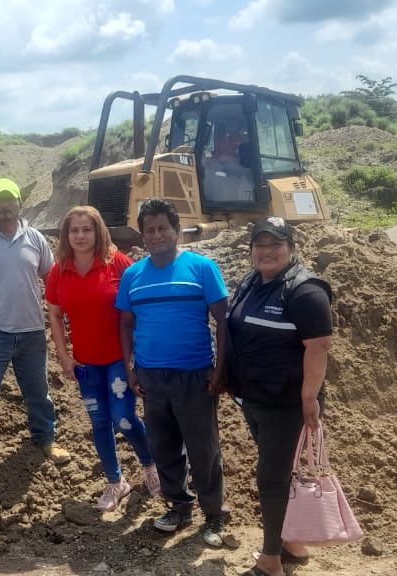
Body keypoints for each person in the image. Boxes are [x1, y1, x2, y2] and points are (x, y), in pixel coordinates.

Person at [115, 198, 231, 546]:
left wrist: (221, 369)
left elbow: (223, 321)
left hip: (195, 375)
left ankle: (214, 514)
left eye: (163, 228)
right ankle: (179, 507)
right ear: (142, 236)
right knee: (163, 447)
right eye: (149, 230)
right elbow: (125, 324)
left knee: (203, 448)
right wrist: (130, 368)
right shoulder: (133, 275)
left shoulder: (202, 268)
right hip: (151, 376)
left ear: (177, 231)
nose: (156, 235)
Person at [224, 216, 333, 576]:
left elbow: (318, 347)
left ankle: (271, 560)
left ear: (291, 248)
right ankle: (291, 543)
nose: (267, 251)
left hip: (286, 403)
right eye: (261, 244)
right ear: (251, 249)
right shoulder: (251, 282)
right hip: (255, 398)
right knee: (280, 472)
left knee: (270, 478)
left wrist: (309, 398)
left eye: (276, 244)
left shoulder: (306, 291)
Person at [0, 177, 72, 486]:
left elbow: (51, 280)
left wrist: (60, 319)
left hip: (32, 332)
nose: (5, 205)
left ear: (20, 203)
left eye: (10, 199)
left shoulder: (35, 239)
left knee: (38, 392)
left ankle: (46, 439)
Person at [45, 205, 159, 512]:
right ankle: (115, 481)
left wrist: (139, 353)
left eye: (87, 229)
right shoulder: (59, 271)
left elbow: (141, 306)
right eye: (74, 230)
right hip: (85, 363)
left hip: (119, 359)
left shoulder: (118, 263)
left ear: (98, 232)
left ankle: (150, 465)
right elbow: (54, 315)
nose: (80, 236)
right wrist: (64, 356)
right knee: (99, 421)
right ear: (66, 235)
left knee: (123, 418)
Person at [202, 120, 256, 204]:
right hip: (223, 165)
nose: (229, 127)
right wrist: (207, 159)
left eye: (231, 125)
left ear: (238, 126)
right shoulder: (223, 141)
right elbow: (217, 154)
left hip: (240, 166)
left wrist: (221, 159)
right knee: (207, 170)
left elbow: (243, 157)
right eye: (228, 125)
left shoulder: (244, 140)